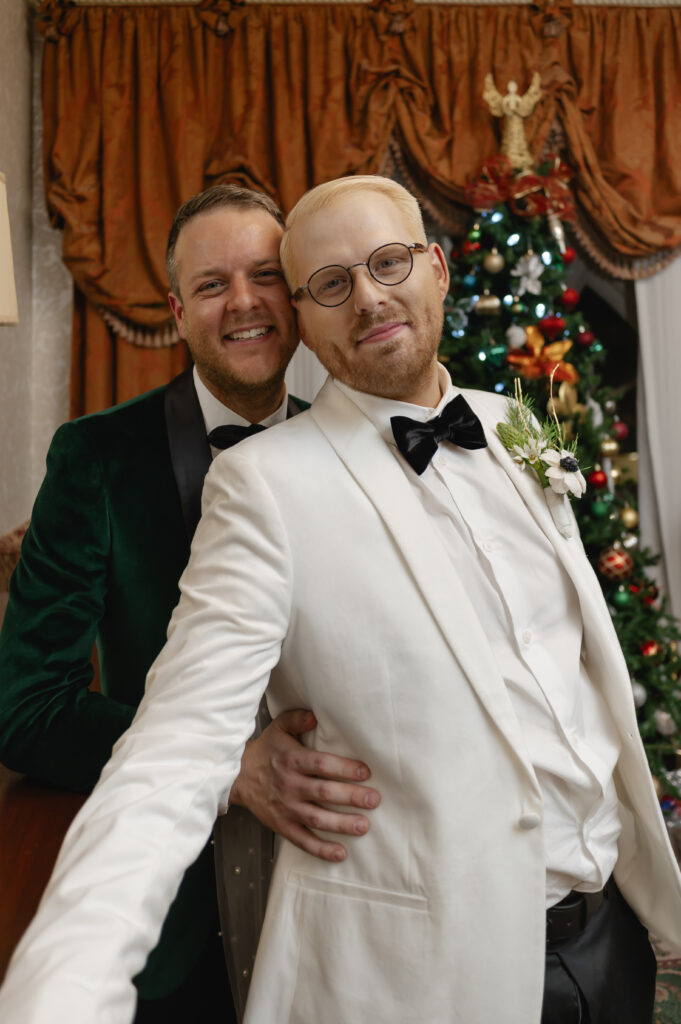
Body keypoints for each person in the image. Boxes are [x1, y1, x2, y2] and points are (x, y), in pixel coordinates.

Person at [1, 173, 681, 1024]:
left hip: (606, 931)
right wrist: (63, 985)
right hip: (402, 951)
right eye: (330, 282)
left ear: (435, 269)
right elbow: (160, 750)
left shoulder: (515, 425)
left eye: (387, 263)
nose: (364, 297)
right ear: (308, 315)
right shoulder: (249, 478)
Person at [0, 183, 380, 1024]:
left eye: (262, 276)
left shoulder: (359, 449)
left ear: (296, 289)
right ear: (178, 311)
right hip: (178, 922)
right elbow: (27, 710)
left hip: (353, 892)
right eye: (212, 285)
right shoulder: (95, 459)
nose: (242, 303)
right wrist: (229, 768)